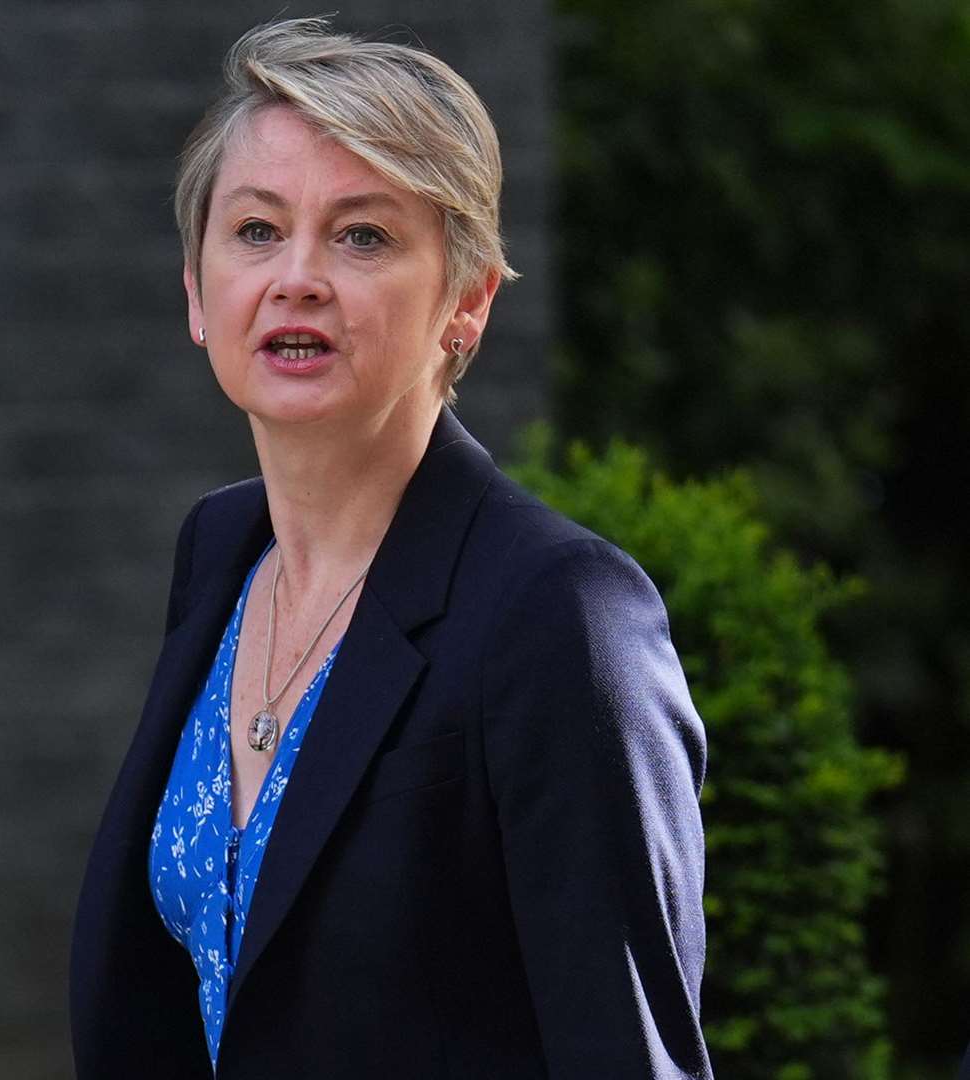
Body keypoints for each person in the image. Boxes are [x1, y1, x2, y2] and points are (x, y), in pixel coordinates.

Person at [70, 16, 712, 1079]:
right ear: (195, 290)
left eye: (361, 236)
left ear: (465, 301)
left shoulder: (557, 612)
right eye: (255, 231)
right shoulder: (218, 553)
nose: (297, 277)